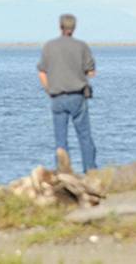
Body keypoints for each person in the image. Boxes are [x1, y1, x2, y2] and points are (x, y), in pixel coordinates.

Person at [37, 13, 97, 173]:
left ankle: (63, 172)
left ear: (60, 26)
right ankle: (90, 170)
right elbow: (91, 72)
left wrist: (49, 89)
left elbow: (42, 72)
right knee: (85, 137)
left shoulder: (49, 46)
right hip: (77, 96)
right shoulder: (82, 46)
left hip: (57, 97)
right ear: (74, 27)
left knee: (60, 140)